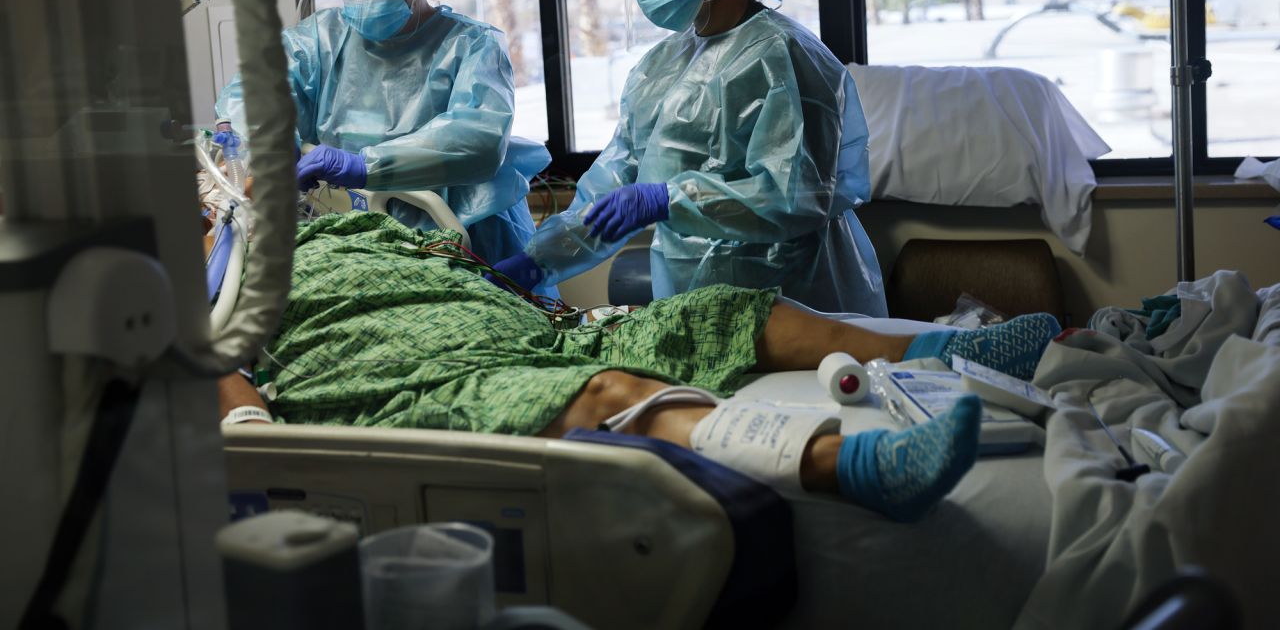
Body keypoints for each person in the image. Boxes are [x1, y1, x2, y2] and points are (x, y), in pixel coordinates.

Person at [220, 212, 1063, 521]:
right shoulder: (213, 281)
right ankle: (852, 464)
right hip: (413, 373)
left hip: (537, 329)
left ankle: (946, 350)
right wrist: (249, 426)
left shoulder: (357, 223)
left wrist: (517, 286)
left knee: (730, 311)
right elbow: (211, 359)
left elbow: (460, 260)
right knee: (612, 396)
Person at [491, 0, 886, 314]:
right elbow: (613, 186)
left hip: (797, 300)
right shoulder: (658, 67)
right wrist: (535, 261)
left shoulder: (785, 57)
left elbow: (794, 197)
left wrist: (667, 199)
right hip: (689, 304)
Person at [215, 0, 550, 290]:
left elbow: (478, 140)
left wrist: (364, 167)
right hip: (355, 248)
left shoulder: (473, 46)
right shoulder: (319, 41)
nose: (364, 2)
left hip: (465, 241)